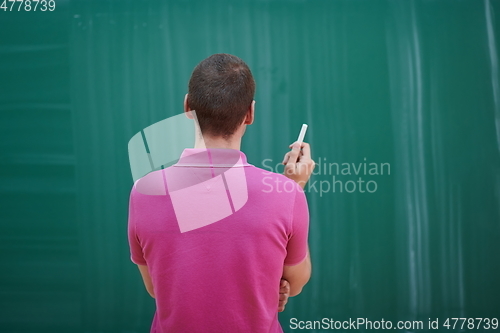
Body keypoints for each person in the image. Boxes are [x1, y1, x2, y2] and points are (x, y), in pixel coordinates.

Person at [127, 53, 315, 333]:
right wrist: (293, 188)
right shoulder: (286, 195)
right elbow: (295, 283)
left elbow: (157, 288)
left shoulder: (143, 193)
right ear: (250, 114)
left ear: (187, 107)